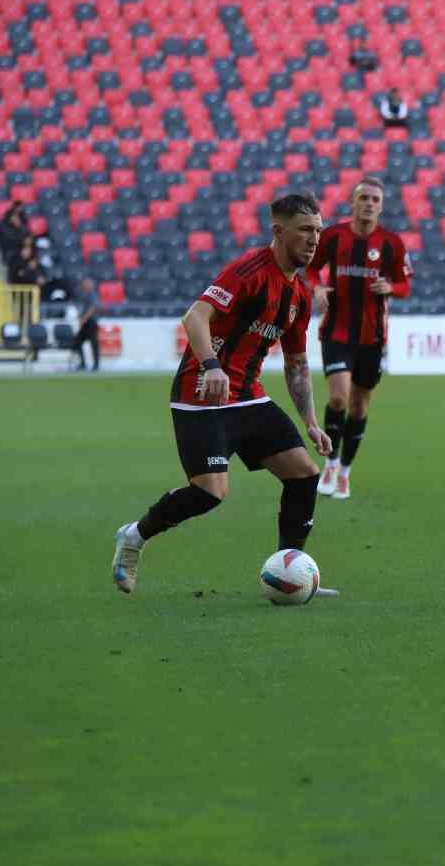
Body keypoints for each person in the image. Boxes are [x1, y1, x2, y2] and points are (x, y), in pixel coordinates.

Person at [109, 194, 332, 595]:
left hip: (249, 397)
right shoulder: (248, 271)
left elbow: (296, 366)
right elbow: (195, 316)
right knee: (211, 492)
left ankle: (290, 572)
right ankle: (135, 535)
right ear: (279, 232)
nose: (314, 239)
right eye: (305, 230)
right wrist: (212, 366)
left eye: (318, 230)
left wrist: (312, 423)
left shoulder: (299, 294)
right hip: (202, 395)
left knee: (304, 474)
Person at [308, 179, 412, 501]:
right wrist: (317, 287)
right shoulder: (333, 236)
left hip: (372, 338)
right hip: (337, 332)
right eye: (363, 197)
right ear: (353, 202)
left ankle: (346, 472)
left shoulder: (392, 243)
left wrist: (391, 288)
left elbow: (405, 285)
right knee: (338, 398)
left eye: (374, 199)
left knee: (359, 405)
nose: (368, 203)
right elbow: (310, 268)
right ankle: (330, 463)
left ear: (381, 206)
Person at [73, 276, 101, 371]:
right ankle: (83, 363)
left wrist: (84, 318)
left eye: (88, 283)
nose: (86, 285)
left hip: (91, 322)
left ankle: (96, 364)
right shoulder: (82, 294)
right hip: (85, 323)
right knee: (77, 341)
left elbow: (93, 307)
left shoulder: (92, 294)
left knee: (94, 343)